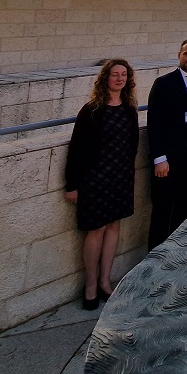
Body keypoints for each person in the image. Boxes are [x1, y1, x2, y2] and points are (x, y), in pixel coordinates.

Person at [64, 58, 140, 310]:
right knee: (95, 230)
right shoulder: (92, 110)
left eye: (124, 75)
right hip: (95, 178)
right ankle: (90, 285)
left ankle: (106, 282)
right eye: (114, 74)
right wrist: (72, 184)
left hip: (119, 178)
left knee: (113, 227)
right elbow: (76, 148)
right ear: (105, 78)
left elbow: (132, 145)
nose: (119, 79)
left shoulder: (129, 109)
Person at [146, 39, 187, 250]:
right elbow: (154, 122)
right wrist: (159, 158)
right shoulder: (164, 83)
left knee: (185, 208)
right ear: (179, 55)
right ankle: (155, 257)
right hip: (168, 160)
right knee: (162, 210)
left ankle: (177, 254)